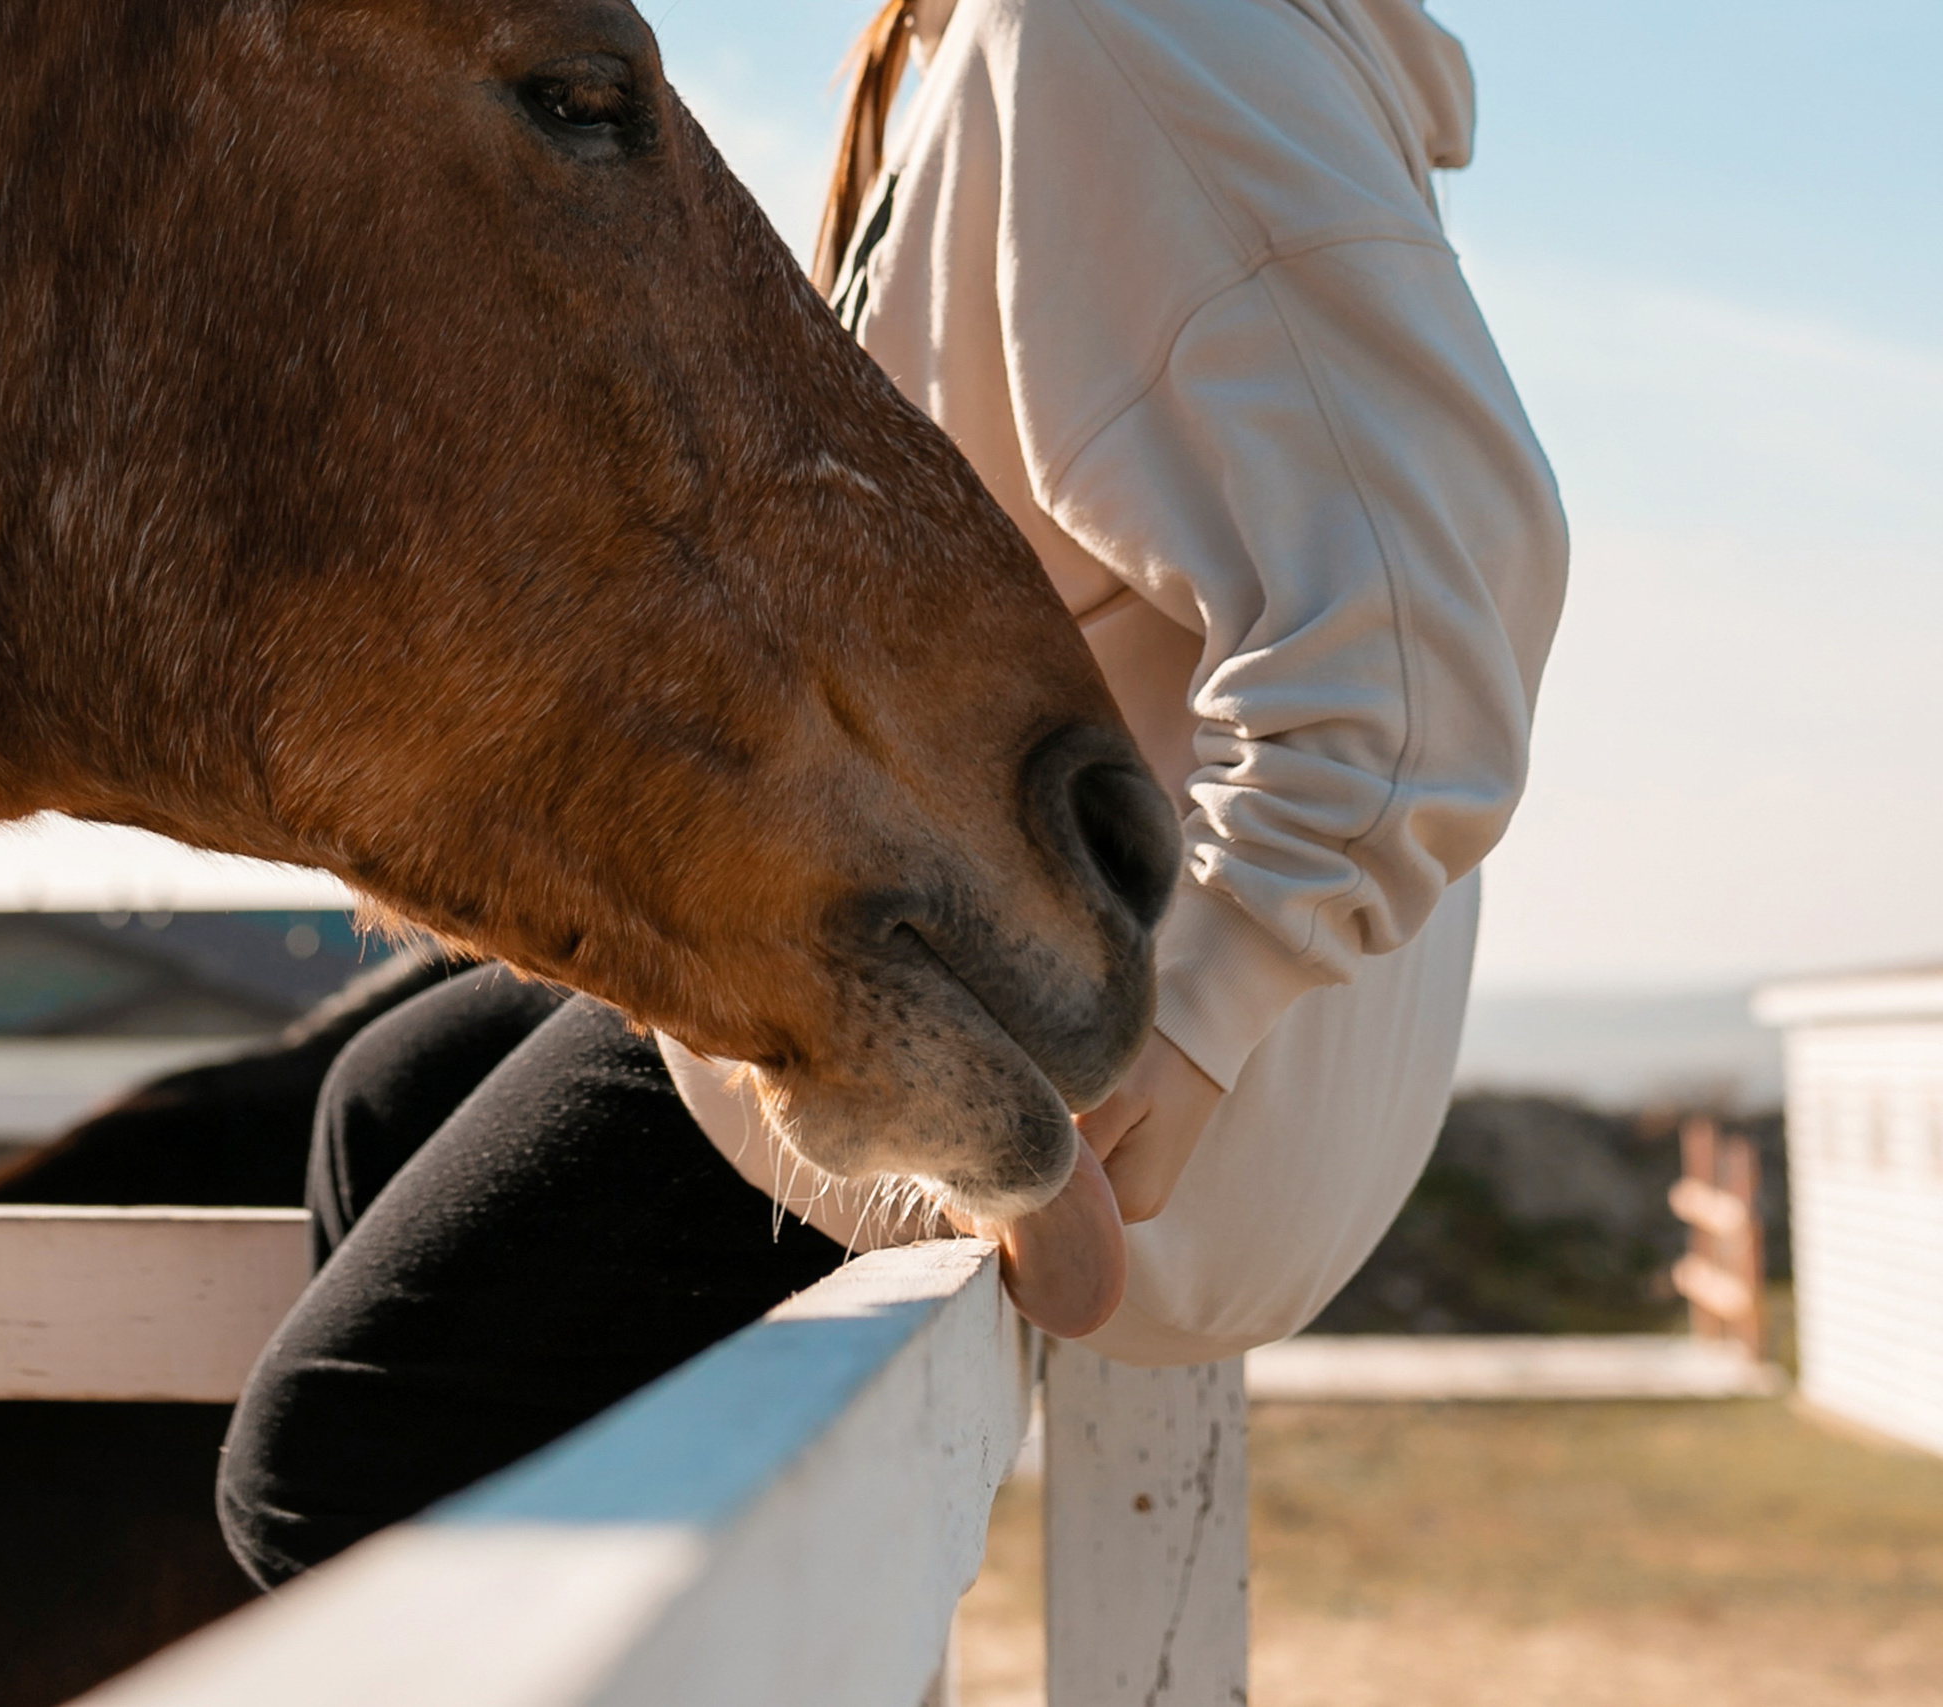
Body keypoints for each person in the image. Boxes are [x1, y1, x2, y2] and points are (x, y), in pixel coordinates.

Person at [216, 0, 1564, 1585]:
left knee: (345, 1456)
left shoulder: (1123, 29)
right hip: (1008, 929)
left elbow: (1431, 592)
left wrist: (1197, 1016)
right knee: (379, 1098)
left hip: (1080, 1034)